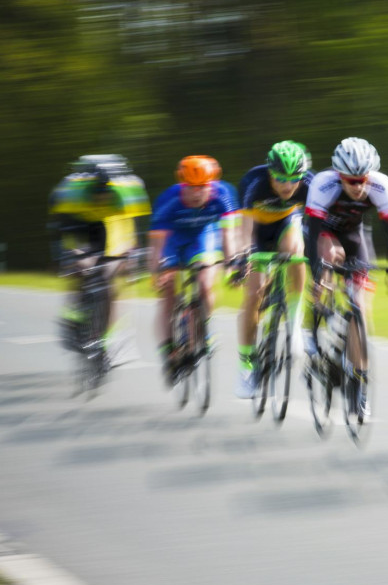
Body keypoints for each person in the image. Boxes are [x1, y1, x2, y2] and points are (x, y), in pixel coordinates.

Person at [303, 137, 388, 415]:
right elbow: (312, 233)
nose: (358, 186)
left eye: (362, 180)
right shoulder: (323, 184)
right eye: (351, 181)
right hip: (323, 234)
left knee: (360, 307)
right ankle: (314, 328)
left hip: (355, 236)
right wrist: (316, 275)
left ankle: (359, 382)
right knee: (331, 254)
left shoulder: (383, 186)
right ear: (340, 176)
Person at [48, 154, 151, 362]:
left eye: (106, 192)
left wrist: (132, 257)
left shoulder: (125, 193)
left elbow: (132, 231)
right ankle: (72, 317)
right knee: (79, 266)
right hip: (78, 222)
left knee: (109, 281)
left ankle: (104, 339)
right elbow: (61, 230)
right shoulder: (73, 193)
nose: (102, 196)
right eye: (98, 192)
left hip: (106, 225)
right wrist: (69, 256)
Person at [149, 155, 240, 385]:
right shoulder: (169, 200)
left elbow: (229, 235)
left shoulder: (223, 195)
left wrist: (232, 264)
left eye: (203, 187)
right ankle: (169, 348)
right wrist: (156, 272)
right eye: (192, 187)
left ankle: (203, 328)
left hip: (202, 238)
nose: (198, 193)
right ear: (183, 185)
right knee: (169, 291)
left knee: (206, 283)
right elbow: (157, 244)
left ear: (212, 184)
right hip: (173, 241)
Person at [235, 140, 313, 399]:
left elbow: (319, 224)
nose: (288, 185)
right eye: (280, 178)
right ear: (270, 173)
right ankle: (246, 365)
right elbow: (245, 231)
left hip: (285, 224)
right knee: (254, 293)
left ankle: (294, 322)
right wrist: (243, 257)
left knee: (296, 252)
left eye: (294, 179)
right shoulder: (254, 183)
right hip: (256, 233)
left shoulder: (309, 184)